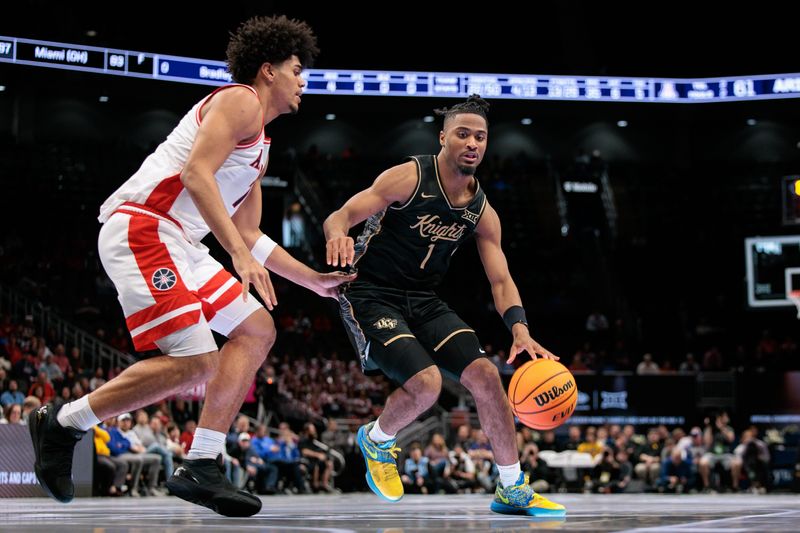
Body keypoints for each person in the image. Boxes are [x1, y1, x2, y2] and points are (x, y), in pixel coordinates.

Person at [28, 15, 352, 517]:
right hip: (144, 224)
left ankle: (202, 461)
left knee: (256, 328)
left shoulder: (262, 148)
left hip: (182, 241)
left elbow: (249, 234)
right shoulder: (239, 100)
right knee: (198, 360)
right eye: (295, 69)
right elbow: (195, 175)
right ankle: (64, 421)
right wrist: (240, 257)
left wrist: (314, 282)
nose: (302, 80)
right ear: (268, 71)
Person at [323, 95, 565, 516]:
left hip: (423, 298)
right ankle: (377, 439)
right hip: (371, 292)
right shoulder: (409, 177)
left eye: (480, 136)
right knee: (428, 383)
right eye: (463, 134)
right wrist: (337, 235)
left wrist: (520, 329)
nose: (472, 143)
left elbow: (501, 278)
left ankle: (511, 488)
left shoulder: (482, 211)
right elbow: (340, 215)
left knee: (488, 376)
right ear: (443, 138)